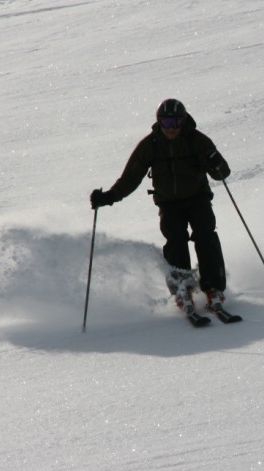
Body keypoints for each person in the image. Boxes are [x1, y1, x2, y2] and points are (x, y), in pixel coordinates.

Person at [90, 98, 231, 311]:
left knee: (205, 234)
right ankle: (183, 288)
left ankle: (213, 288)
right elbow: (130, 178)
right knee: (175, 240)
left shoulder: (197, 141)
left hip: (197, 197)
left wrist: (215, 162)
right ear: (159, 122)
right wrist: (108, 197)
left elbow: (222, 173)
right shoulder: (150, 145)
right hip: (169, 203)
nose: (171, 128)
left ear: (183, 122)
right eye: (166, 123)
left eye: (175, 123)